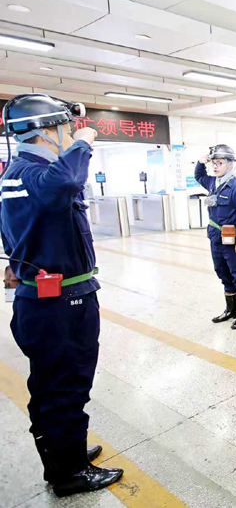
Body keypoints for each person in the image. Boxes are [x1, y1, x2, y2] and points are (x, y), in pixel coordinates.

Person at [0, 93, 123, 496]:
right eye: (67, 128)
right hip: (59, 305)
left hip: (47, 300)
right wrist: (83, 143)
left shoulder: (19, 174)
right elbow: (66, 183)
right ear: (48, 130)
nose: (70, 135)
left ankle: (65, 453)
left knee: (53, 384)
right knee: (66, 385)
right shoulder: (37, 174)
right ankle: (69, 473)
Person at [195, 145, 236, 329]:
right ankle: (231, 310)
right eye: (213, 163)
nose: (215, 166)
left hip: (232, 239)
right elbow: (199, 176)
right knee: (223, 272)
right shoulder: (213, 183)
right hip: (216, 238)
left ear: (231, 164)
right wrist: (200, 162)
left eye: (220, 163)